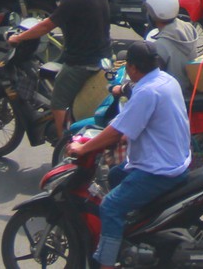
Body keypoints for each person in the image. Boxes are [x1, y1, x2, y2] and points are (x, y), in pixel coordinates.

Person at [70, 40, 193, 269]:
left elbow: (116, 132)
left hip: (159, 170)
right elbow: (130, 123)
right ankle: (129, 235)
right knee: (116, 175)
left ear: (133, 68)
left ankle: (106, 263)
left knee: (109, 206)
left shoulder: (147, 91)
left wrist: (84, 148)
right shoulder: (165, 80)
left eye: (128, 65)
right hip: (174, 158)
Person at [8, 0, 112, 141]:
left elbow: (45, 26)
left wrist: (18, 38)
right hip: (104, 56)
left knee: (57, 101)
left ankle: (63, 143)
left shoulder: (72, 2)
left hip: (82, 64)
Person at [143, 0, 203, 90]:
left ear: (153, 14)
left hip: (173, 93)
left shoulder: (160, 46)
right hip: (189, 87)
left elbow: (150, 79)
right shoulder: (188, 27)